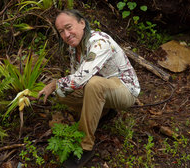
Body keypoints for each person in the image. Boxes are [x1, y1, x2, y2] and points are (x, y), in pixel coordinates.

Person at [38, 9, 140, 168]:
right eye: (61, 32)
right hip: (103, 88)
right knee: (62, 94)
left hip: (125, 89)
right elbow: (75, 78)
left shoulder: (99, 42)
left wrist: (54, 84)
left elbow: (80, 78)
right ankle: (104, 111)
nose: (66, 34)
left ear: (82, 23)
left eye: (69, 27)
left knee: (92, 84)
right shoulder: (74, 48)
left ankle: (85, 146)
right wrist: (55, 89)